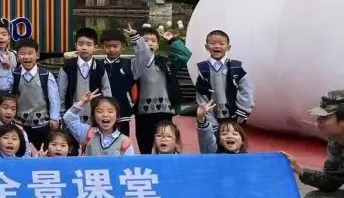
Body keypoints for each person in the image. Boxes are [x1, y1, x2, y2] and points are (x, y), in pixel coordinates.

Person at [130, 25, 189, 155]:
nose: (149, 43)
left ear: (157, 45)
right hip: (143, 112)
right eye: (145, 40)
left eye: (153, 40)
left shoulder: (165, 62)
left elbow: (184, 56)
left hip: (164, 111)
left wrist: (172, 41)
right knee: (145, 146)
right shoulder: (134, 63)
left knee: (165, 144)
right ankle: (147, 167)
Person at [194, 29, 255, 144]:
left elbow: (247, 90)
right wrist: (210, 121)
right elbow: (201, 96)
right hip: (213, 116)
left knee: (235, 143)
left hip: (235, 115)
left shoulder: (236, 67)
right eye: (213, 43)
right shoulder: (202, 69)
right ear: (206, 47)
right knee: (214, 145)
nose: (217, 46)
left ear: (228, 47)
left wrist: (243, 110)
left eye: (221, 43)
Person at [12, 38, 60, 149]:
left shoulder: (45, 75)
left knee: (42, 152)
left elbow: (54, 99)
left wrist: (54, 118)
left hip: (42, 125)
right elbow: (7, 95)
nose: (27, 57)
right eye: (22, 54)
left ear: (37, 55)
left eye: (30, 53)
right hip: (19, 125)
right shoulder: (14, 75)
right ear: (17, 57)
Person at [57, 27, 112, 119]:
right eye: (80, 44)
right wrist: (61, 114)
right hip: (71, 116)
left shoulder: (100, 68)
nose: (84, 48)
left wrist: (107, 110)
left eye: (89, 44)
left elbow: (106, 91)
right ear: (76, 46)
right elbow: (61, 93)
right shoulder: (67, 68)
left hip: (95, 116)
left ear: (95, 47)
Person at [62, 91, 135, 156]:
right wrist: (82, 102)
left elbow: (129, 165)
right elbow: (68, 118)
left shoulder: (125, 142)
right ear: (93, 116)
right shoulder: (87, 133)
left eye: (110, 111)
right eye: (100, 111)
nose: (105, 115)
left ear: (117, 116)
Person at [98, 28, 136, 139]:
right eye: (107, 46)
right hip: (102, 111)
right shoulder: (98, 65)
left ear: (122, 46)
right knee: (102, 139)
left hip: (123, 109)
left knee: (122, 140)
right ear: (102, 46)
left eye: (115, 46)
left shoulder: (129, 64)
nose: (111, 49)